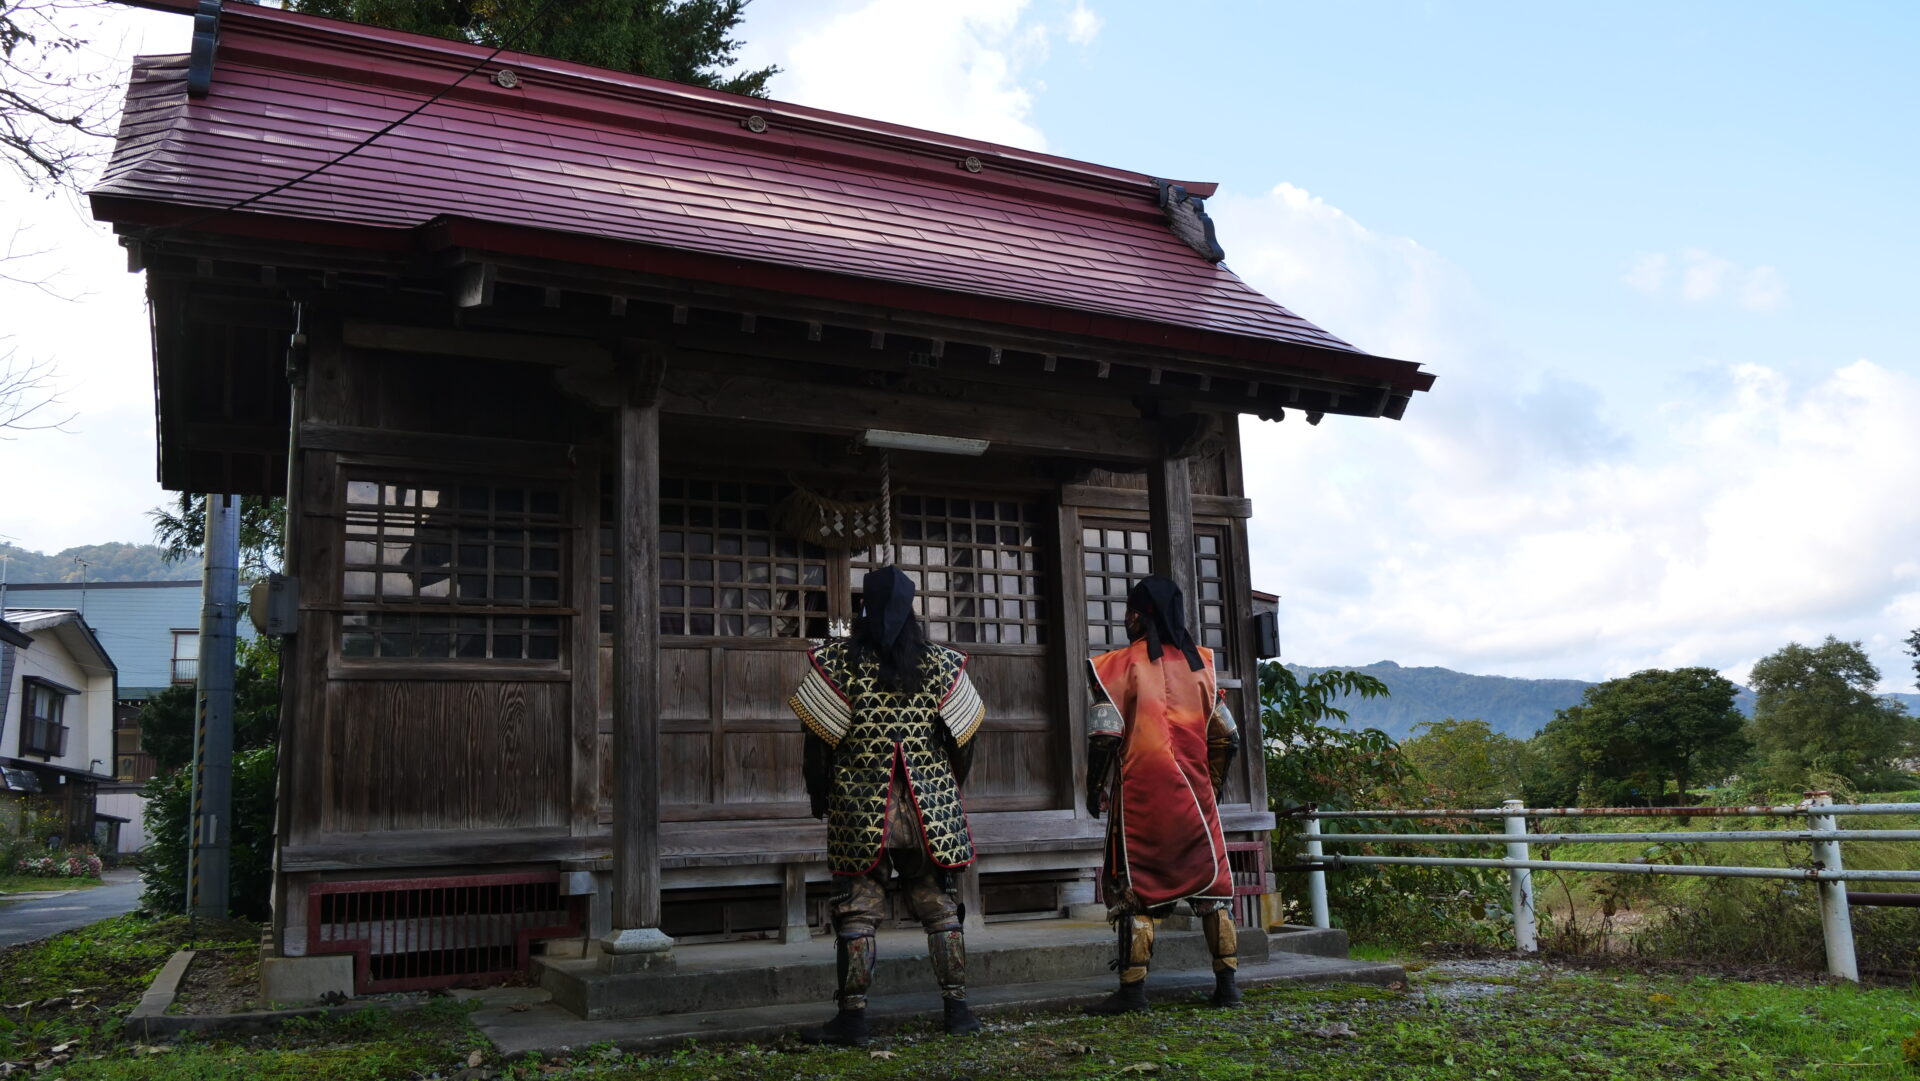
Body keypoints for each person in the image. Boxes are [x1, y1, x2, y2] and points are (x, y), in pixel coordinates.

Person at [787, 565, 987, 1046]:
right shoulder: (943, 663)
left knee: (857, 909)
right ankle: (957, 1010)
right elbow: (965, 738)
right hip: (931, 807)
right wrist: (948, 783)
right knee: (939, 905)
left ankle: (852, 1020)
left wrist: (820, 795)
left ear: (863, 607)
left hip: (861, 803)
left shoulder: (835, 663)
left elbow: (817, 745)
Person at [1083, 574, 1242, 1014]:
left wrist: (1093, 787)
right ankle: (1227, 984)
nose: (1127, 618)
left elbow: (1103, 734)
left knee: (1136, 888)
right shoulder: (1201, 664)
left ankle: (1133, 992)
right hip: (1196, 791)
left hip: (1141, 793)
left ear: (1140, 613)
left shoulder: (1116, 666)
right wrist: (1214, 781)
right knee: (1212, 888)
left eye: (1130, 610)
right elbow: (1227, 735)